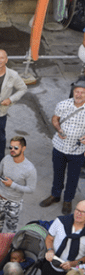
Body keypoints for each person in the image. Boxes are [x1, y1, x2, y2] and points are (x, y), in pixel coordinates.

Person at [44, 83, 85, 215]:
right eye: (77, 92)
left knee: (73, 177)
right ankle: (55, 195)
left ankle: (68, 200)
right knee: (58, 173)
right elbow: (55, 119)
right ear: (73, 92)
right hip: (59, 147)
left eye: (82, 92)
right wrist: (58, 128)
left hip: (77, 151)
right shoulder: (63, 104)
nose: (79, 95)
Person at [0, 135, 36, 233]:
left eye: (16, 148)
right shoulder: (6, 159)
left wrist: (12, 185)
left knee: (11, 230)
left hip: (14, 202)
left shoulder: (30, 168)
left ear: (23, 148)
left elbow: (31, 189)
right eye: (10, 147)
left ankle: (9, 246)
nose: (12, 150)